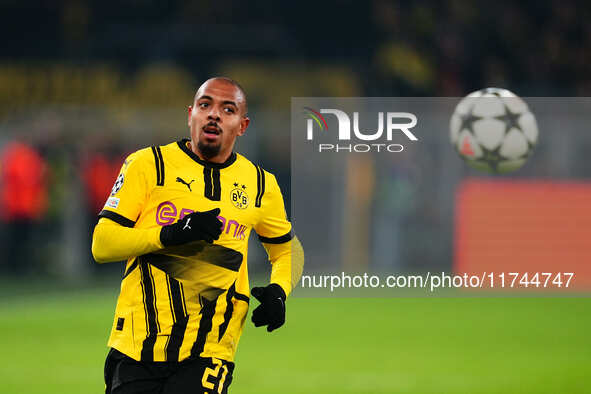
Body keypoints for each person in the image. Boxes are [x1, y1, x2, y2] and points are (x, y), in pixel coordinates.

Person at [92, 77, 304, 394]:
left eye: (227, 109)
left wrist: (279, 290)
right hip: (138, 345)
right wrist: (171, 234)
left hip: (211, 349)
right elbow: (102, 243)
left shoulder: (261, 185)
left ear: (242, 125)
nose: (213, 115)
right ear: (191, 114)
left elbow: (287, 251)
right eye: (205, 105)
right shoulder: (148, 165)